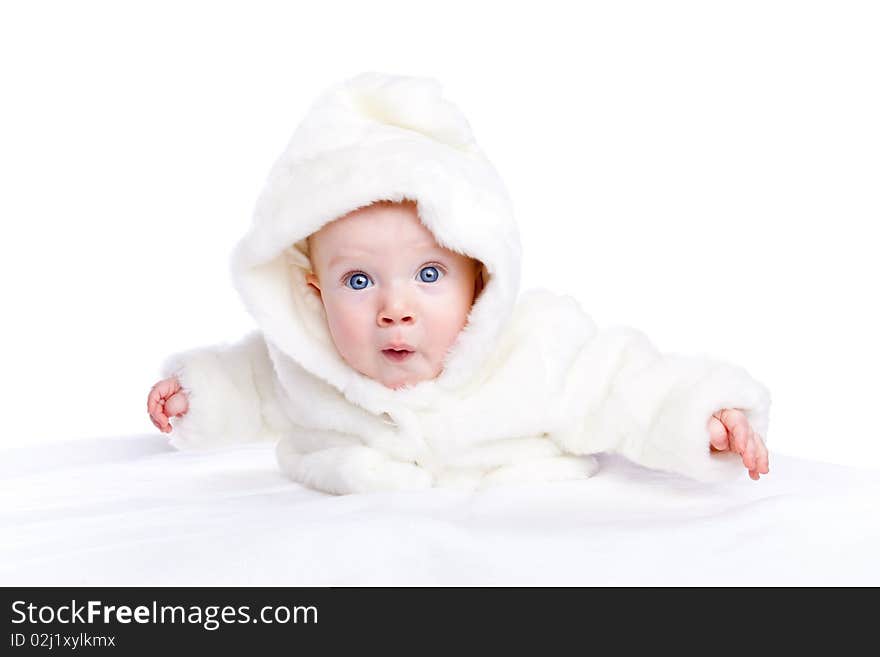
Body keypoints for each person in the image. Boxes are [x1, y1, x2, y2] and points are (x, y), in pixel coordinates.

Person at [147, 72, 770, 494]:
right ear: (312, 294)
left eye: (428, 274)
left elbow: (625, 388)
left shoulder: (538, 347)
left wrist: (700, 416)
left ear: (481, 279)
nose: (395, 309)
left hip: (521, 527)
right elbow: (251, 385)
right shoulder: (304, 364)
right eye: (359, 280)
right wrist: (197, 397)